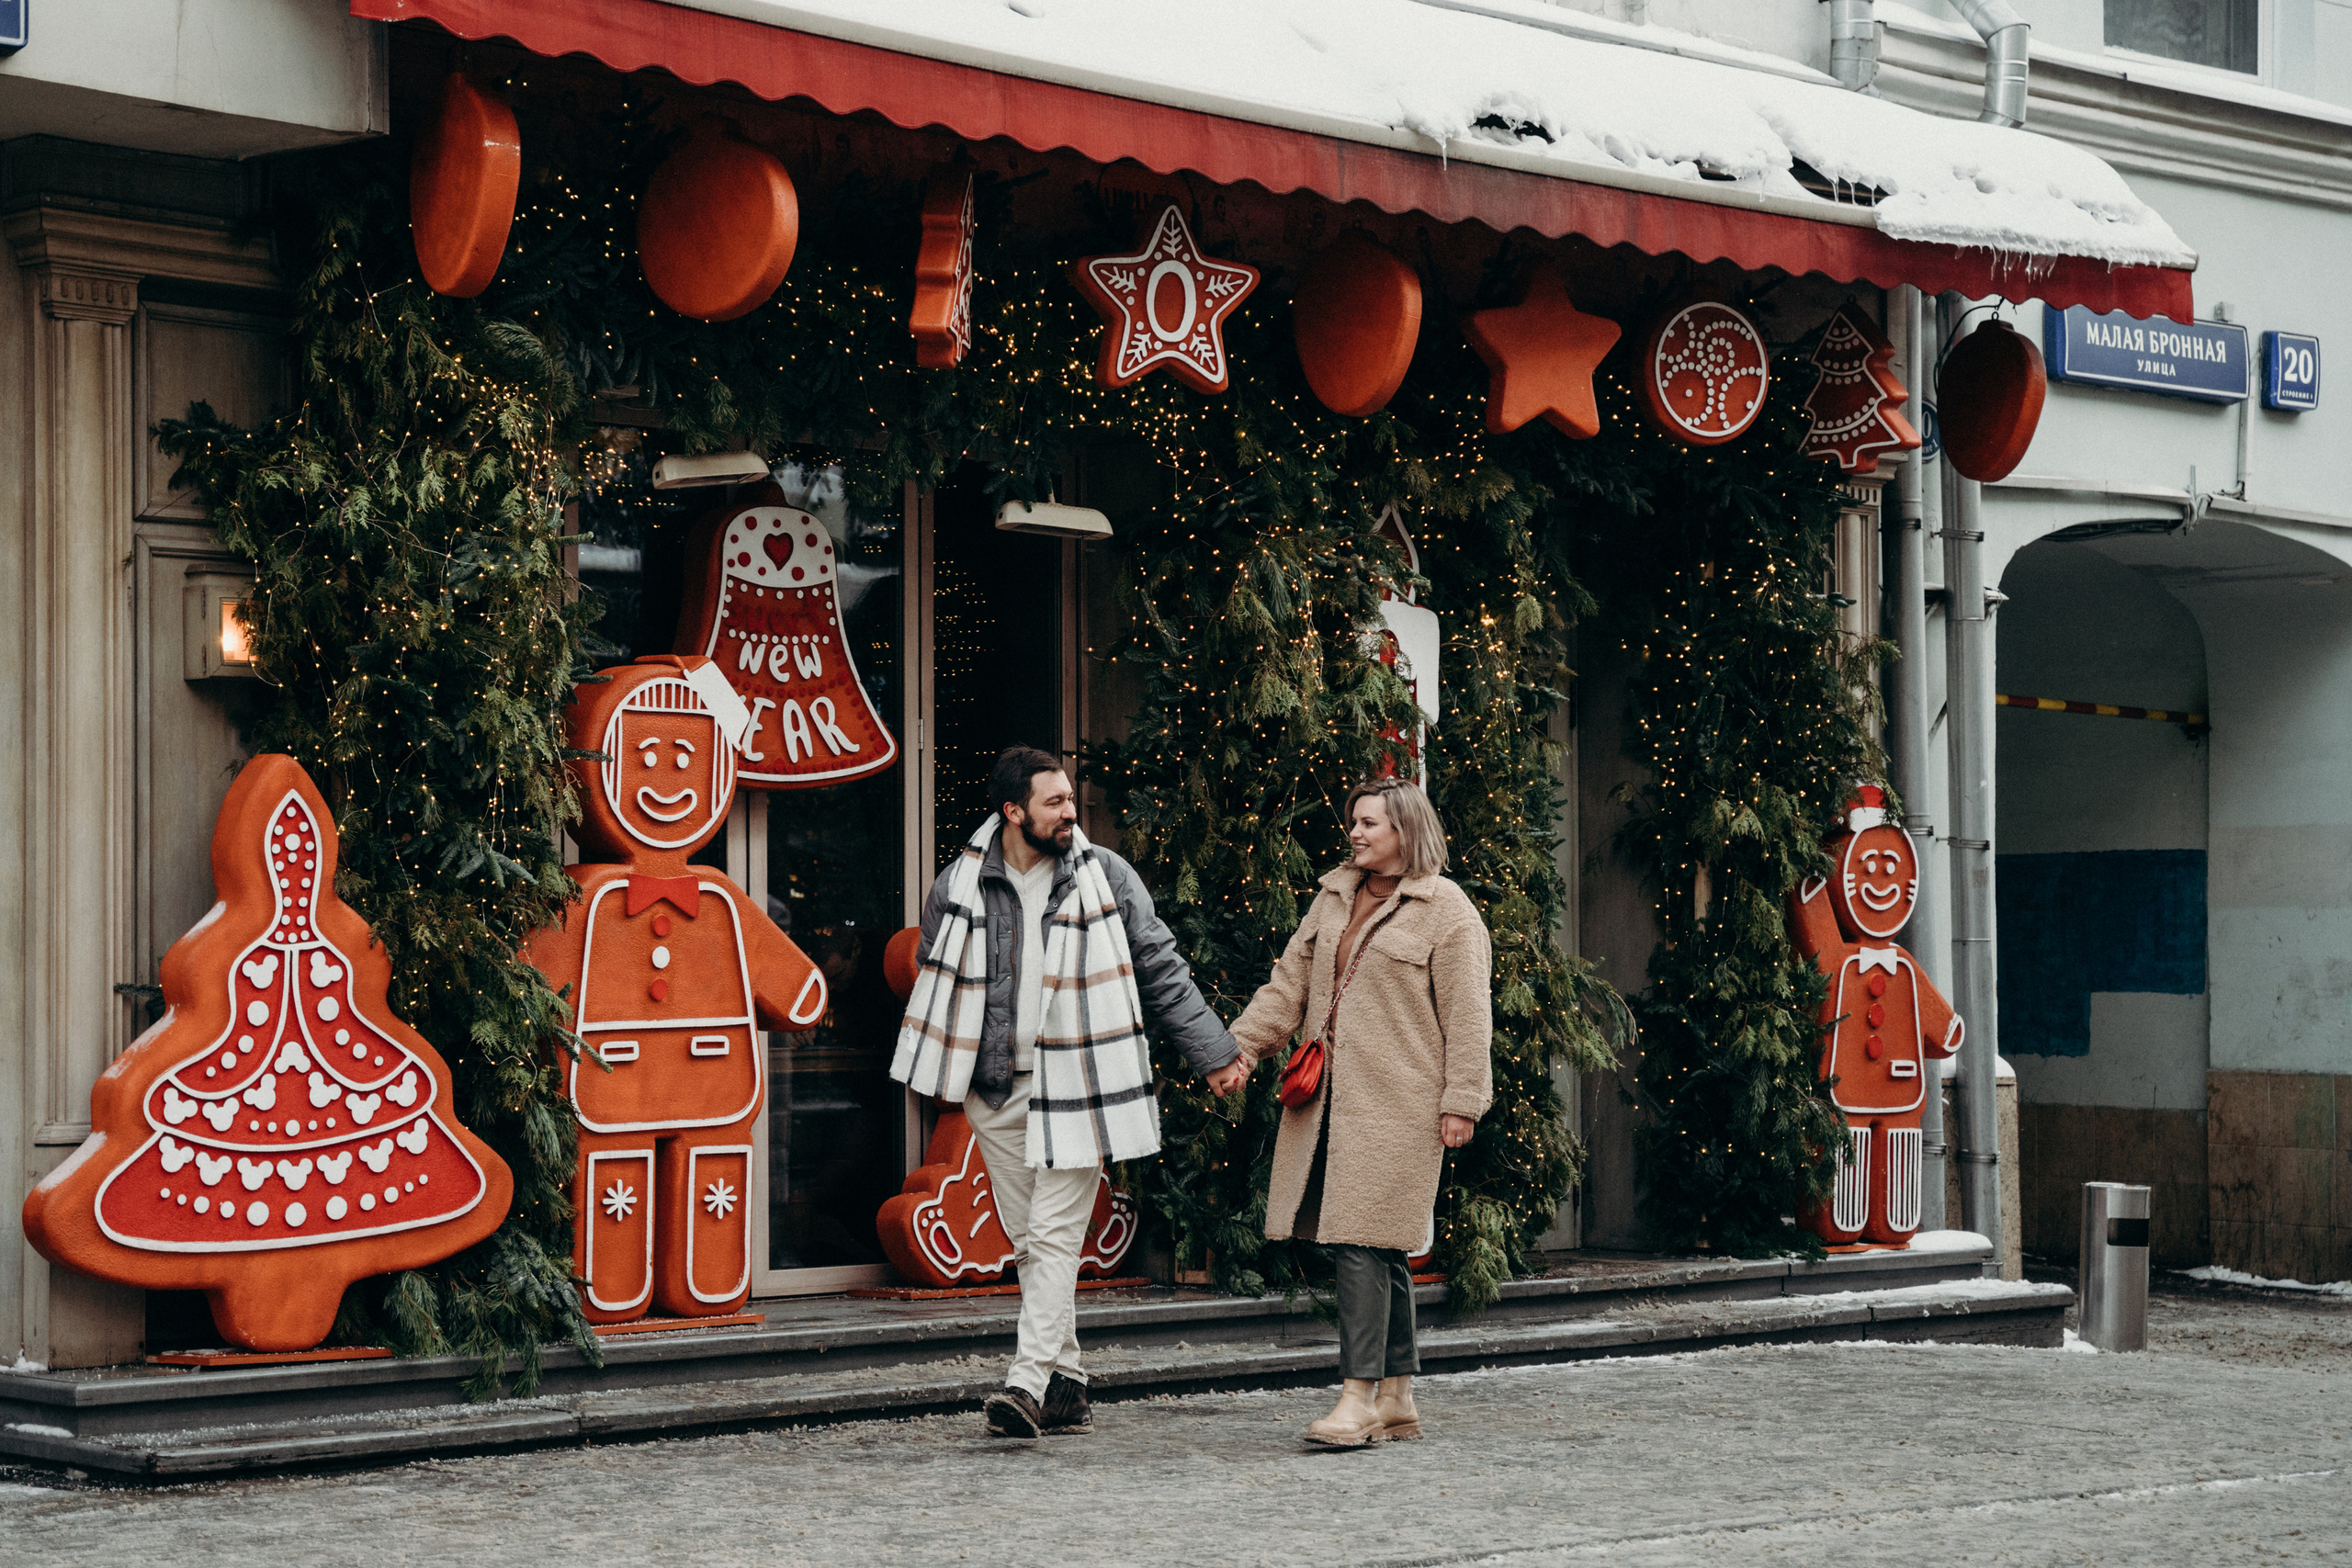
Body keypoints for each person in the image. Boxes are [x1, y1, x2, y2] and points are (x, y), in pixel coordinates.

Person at [892, 745, 1247, 1439]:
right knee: (1032, 1242)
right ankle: (1069, 1384)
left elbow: (1161, 966)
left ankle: (1025, 1384)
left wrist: (1214, 1052)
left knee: (1053, 1235)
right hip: (995, 1089)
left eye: (1070, 799)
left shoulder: (1105, 874)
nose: (1069, 812)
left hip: (1083, 1078)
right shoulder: (958, 884)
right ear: (1012, 810)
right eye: (1054, 801)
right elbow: (939, 979)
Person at [1223, 776, 1492, 1447]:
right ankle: (1396, 1397)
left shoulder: (1447, 909)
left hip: (1401, 1102)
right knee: (1377, 1243)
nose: (1356, 832)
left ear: (1406, 830)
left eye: (1371, 822)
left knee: (1360, 1239)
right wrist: (1240, 1048)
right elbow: (1288, 985)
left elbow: (1469, 1015)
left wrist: (1463, 1099)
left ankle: (1357, 1398)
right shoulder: (1333, 896)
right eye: (1354, 821)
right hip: (1328, 1102)